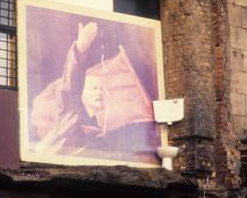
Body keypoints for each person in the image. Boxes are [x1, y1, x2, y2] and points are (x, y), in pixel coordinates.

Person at [29, 20, 158, 161]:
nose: (100, 92)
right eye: (94, 88)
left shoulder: (101, 126)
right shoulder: (71, 114)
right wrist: (79, 50)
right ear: (82, 94)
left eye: (102, 89)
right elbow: (71, 84)